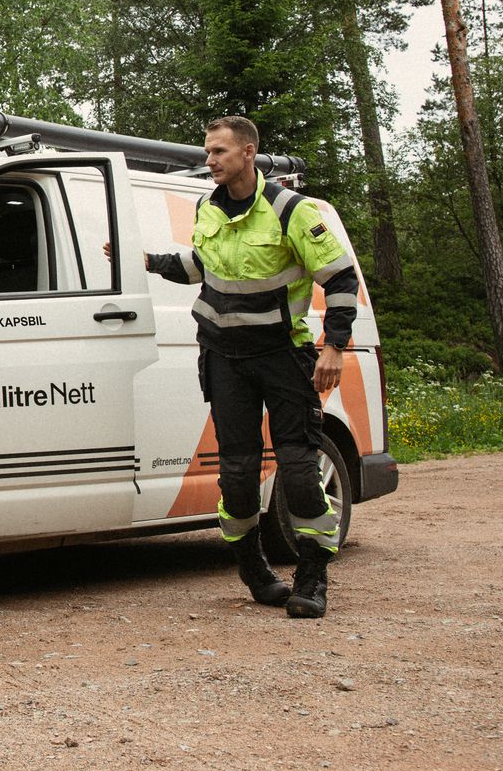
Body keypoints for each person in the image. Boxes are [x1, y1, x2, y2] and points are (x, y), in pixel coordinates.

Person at [111, 116, 359, 618]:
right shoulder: (206, 206)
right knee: (238, 475)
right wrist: (149, 261)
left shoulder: (292, 211)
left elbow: (340, 279)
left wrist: (333, 347)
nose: (210, 161)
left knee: (299, 471)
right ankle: (254, 572)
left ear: (248, 153)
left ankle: (312, 577)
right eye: (207, 152)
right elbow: (204, 266)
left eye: (219, 152)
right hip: (223, 357)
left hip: (284, 358)